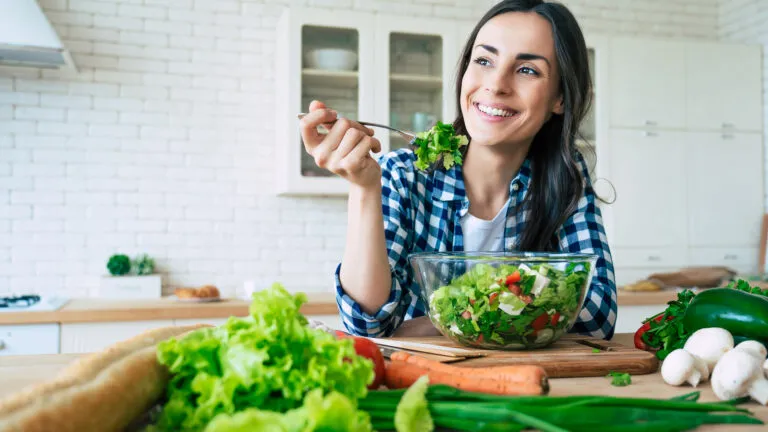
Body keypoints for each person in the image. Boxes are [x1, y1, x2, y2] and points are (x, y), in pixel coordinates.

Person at [298, 0, 617, 340]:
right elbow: (369, 325)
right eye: (483, 60)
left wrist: (440, 321)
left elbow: (597, 317)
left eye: (527, 70)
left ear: (561, 98)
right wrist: (363, 188)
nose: (496, 85)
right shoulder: (403, 175)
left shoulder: (566, 180)